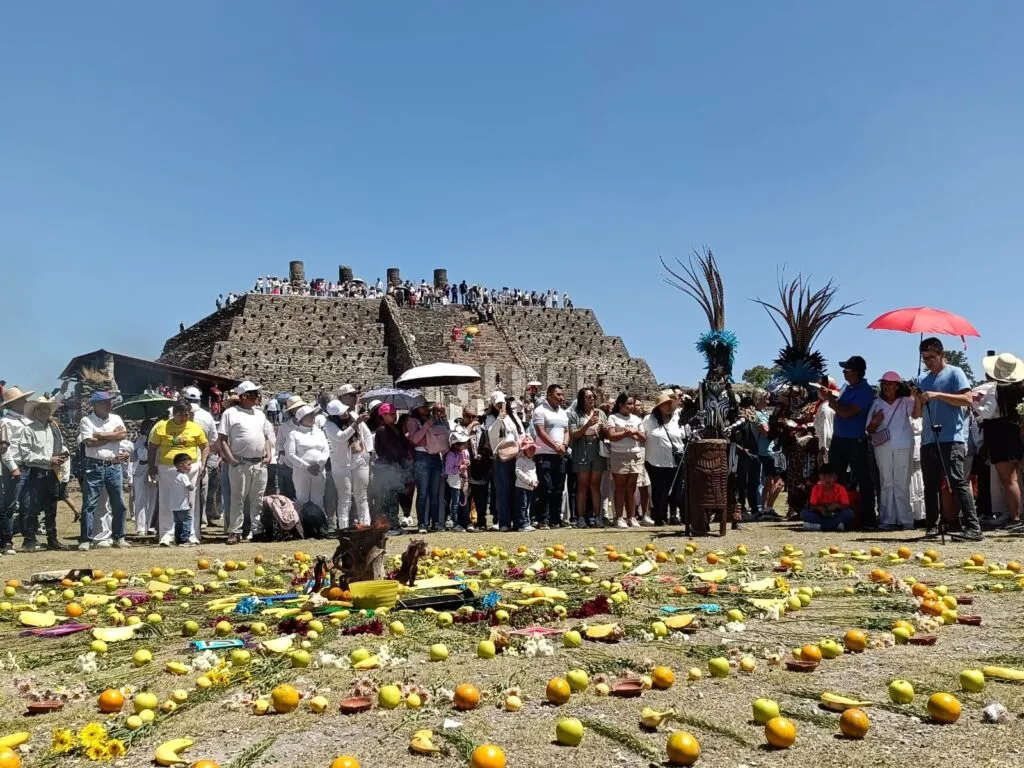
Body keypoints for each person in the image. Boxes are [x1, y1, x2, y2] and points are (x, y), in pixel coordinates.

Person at [913, 338, 982, 540]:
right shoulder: (921, 379)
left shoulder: (955, 373)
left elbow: (968, 400)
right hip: (928, 438)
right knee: (930, 484)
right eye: (924, 358)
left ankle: (973, 526)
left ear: (942, 354)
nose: (928, 362)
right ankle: (932, 526)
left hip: (952, 436)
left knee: (957, 480)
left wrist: (938, 395)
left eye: (932, 357)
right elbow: (916, 414)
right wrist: (917, 400)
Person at [217, 381, 272, 545]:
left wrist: (268, 454)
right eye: (253, 393)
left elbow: (266, 436)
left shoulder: (260, 414)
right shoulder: (230, 413)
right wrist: (231, 459)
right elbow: (223, 439)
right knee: (238, 498)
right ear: (244, 396)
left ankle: (257, 529)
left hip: (260, 463)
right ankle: (235, 530)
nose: (257, 396)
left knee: (257, 498)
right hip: (240, 463)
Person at [826, 355, 877, 529]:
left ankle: (868, 518)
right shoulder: (846, 388)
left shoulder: (865, 390)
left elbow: (847, 412)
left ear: (856, 372)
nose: (843, 373)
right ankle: (836, 516)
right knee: (835, 478)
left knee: (864, 480)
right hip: (839, 439)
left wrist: (829, 400)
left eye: (846, 370)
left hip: (856, 441)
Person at [148, 400, 208, 546]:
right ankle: (166, 534)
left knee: (190, 502)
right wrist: (151, 467)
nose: (184, 418)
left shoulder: (195, 428)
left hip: (190, 469)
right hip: (167, 468)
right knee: (166, 501)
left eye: (186, 415)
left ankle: (191, 534)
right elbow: (152, 447)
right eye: (181, 415)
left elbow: (205, 446)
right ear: (174, 414)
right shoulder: (162, 426)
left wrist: (203, 464)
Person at [78, 391, 130, 550]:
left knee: (118, 503)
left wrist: (100, 434)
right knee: (89, 503)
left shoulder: (116, 418)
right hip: (95, 465)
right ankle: (86, 538)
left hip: (114, 464)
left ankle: (119, 536)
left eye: (110, 402)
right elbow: (89, 442)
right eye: (105, 402)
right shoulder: (86, 420)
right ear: (95, 405)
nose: (109, 404)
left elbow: (123, 434)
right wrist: (113, 436)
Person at [979, 352, 1024, 531]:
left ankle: (1015, 518)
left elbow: (987, 413)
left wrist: (976, 406)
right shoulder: (1018, 390)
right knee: (1011, 479)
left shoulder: (994, 390)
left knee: (1009, 480)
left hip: (1000, 434)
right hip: (1011, 433)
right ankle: (1013, 515)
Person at [867, 372, 916, 530]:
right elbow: (868, 429)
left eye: (890, 384)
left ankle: (905, 519)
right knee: (886, 481)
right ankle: (887, 519)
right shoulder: (877, 403)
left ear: (897, 386)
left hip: (904, 444)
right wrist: (875, 421)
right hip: (883, 445)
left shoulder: (907, 401)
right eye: (884, 384)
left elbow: (917, 415)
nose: (887, 387)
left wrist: (917, 400)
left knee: (902, 482)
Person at [19, 398, 70, 551]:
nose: (43, 411)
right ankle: (30, 539)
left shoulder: (53, 428)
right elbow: (26, 456)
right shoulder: (29, 430)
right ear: (35, 412)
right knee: (33, 507)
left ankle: (52, 539)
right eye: (40, 409)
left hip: (53, 472)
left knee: (51, 507)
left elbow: (59, 446)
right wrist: (48, 459)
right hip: (37, 472)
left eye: (46, 409)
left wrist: (61, 457)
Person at [325, 400, 370, 529]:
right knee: (344, 498)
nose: (345, 413)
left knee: (361, 495)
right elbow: (341, 437)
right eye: (341, 412)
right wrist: (356, 423)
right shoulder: (329, 425)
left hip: (360, 460)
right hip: (341, 464)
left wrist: (368, 452)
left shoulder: (353, 417)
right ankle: (343, 528)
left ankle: (365, 525)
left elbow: (365, 433)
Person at [0, 386, 35, 556]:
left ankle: (28, 538)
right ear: (14, 404)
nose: (25, 403)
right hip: (15, 466)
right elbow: (4, 449)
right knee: (10, 505)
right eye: (22, 401)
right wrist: (13, 467)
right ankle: (6, 541)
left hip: (28, 465)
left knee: (27, 505)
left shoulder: (26, 421)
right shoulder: (6, 422)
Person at [406, 402, 449, 533]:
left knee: (435, 493)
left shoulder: (435, 420)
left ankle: (435, 522)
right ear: (416, 408)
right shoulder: (412, 421)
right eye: (422, 406)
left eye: (427, 406)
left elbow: (447, 433)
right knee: (423, 493)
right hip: (421, 457)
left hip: (435, 456)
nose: (426, 408)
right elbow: (414, 439)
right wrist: (426, 425)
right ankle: (422, 523)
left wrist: (443, 417)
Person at [568, 388, 608, 527]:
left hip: (597, 451)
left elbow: (606, 434)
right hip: (582, 451)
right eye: (588, 397)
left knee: (595, 485)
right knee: (582, 486)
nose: (592, 399)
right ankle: (580, 518)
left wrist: (604, 429)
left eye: (593, 396)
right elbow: (574, 434)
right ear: (581, 399)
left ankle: (597, 517)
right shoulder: (575, 414)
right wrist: (588, 425)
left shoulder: (601, 413)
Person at [532, 384, 570, 529]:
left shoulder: (563, 412)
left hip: (560, 454)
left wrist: (564, 446)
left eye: (562, 395)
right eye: (559, 394)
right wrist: (555, 446)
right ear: (549, 395)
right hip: (545, 454)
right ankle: (544, 519)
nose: (562, 398)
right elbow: (540, 431)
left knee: (559, 488)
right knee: (546, 487)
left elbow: (566, 431)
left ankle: (556, 519)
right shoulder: (540, 411)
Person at [486, 392, 525, 531]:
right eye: (497, 404)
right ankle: (504, 522)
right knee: (503, 490)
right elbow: (492, 435)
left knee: (517, 489)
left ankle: (519, 521)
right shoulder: (490, 418)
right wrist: (499, 419)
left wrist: (522, 445)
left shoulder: (513, 416)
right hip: (501, 457)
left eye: (502, 403)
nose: (500, 406)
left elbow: (520, 432)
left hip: (516, 455)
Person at [643, 392, 684, 526]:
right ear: (659, 407)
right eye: (664, 405)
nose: (667, 407)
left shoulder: (678, 418)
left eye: (669, 404)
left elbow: (683, 435)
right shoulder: (649, 420)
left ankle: (674, 514)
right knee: (659, 489)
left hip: (675, 460)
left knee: (676, 489)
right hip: (655, 460)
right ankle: (660, 515)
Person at [369, 403, 411, 533]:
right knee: (387, 499)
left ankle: (394, 523)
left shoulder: (395, 429)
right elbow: (392, 449)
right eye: (392, 414)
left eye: (395, 413)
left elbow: (405, 444)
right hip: (386, 467)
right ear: (383, 415)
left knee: (394, 497)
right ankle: (388, 526)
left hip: (395, 467)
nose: (395, 416)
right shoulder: (382, 430)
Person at [286, 404, 330, 512]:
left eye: (313, 414)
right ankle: (302, 525)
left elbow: (326, 450)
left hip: (319, 469)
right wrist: (307, 466)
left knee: (318, 500)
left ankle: (318, 525)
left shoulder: (320, 432)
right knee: (302, 499)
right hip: (301, 471)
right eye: (309, 415)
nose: (313, 417)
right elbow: (291, 454)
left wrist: (319, 464)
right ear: (301, 419)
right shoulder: (293, 434)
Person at [753, 390, 783, 518]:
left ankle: (764, 508)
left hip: (768, 450)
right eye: (766, 399)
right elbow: (767, 433)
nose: (768, 401)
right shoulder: (758, 415)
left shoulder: (763, 413)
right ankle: (768, 508)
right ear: (759, 399)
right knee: (780, 481)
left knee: (769, 480)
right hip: (768, 451)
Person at [801, 464, 855, 531]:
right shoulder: (816, 489)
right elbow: (812, 507)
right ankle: (834, 526)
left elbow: (846, 506)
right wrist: (819, 509)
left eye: (830, 476)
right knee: (804, 513)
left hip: (836, 514)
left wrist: (837, 506)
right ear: (820, 477)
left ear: (836, 477)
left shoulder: (840, 489)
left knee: (849, 513)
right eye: (824, 477)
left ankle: (820, 527)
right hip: (821, 515)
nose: (827, 480)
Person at [132, 419, 156, 535]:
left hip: (154, 472)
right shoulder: (140, 440)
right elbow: (142, 457)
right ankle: (141, 527)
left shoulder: (156, 439)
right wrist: (147, 446)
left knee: (153, 499)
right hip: (141, 472)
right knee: (141, 499)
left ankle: (151, 525)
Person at [444, 430, 472, 531]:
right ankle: (456, 523)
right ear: (455, 445)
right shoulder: (451, 455)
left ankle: (466, 522)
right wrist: (459, 467)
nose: (465, 445)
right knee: (455, 502)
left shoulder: (464, 452)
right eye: (462, 443)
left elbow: (467, 461)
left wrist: (467, 463)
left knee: (464, 502)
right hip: (455, 481)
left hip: (464, 480)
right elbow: (448, 469)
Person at [170, 453, 197, 546]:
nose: (190, 467)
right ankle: (184, 540)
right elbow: (190, 487)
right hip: (182, 506)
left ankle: (178, 540)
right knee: (186, 521)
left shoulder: (174, 475)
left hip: (175, 505)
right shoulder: (183, 476)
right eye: (188, 464)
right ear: (181, 466)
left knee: (178, 523)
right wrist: (193, 486)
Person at [514, 435, 538, 529]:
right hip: (521, 487)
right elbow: (518, 472)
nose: (532, 450)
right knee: (522, 506)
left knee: (527, 505)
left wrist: (535, 481)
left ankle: (526, 522)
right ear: (524, 450)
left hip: (529, 487)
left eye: (533, 448)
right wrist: (530, 481)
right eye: (529, 448)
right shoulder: (520, 460)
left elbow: (533, 473)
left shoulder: (532, 462)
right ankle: (521, 523)